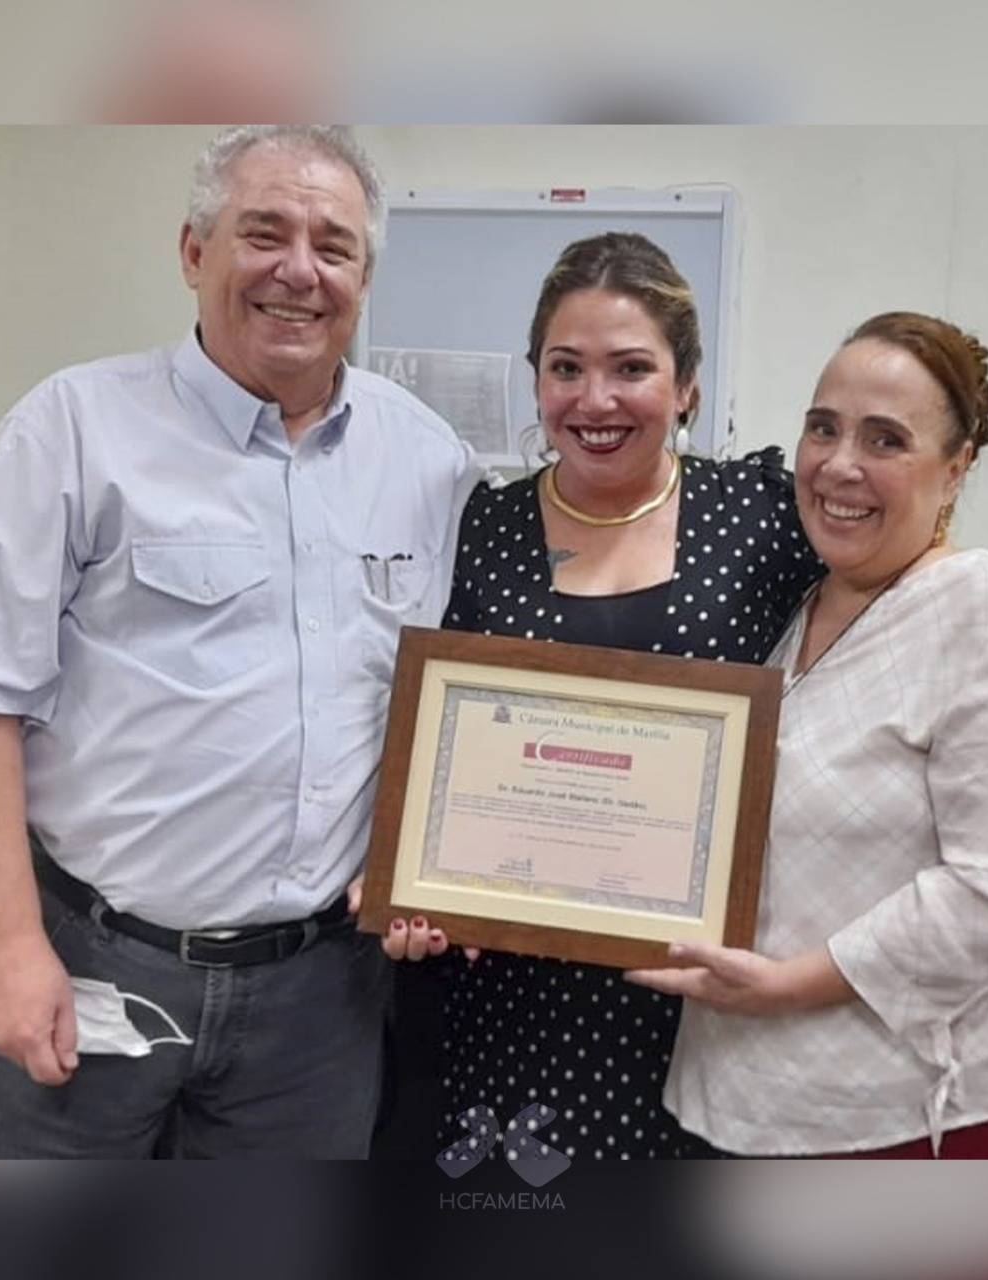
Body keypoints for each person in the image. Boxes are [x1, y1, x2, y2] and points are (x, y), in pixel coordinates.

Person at [0, 125, 482, 1158]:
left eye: (334, 246)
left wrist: (427, 867)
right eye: (265, 232)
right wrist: (6, 941)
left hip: (320, 996)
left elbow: (446, 700)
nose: (299, 270)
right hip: (92, 963)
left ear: (363, 278)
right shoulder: (73, 428)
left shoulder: (429, 460)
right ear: (193, 250)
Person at [381, 231, 822, 1160]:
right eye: (566, 368)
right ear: (535, 380)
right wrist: (410, 887)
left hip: (698, 1000)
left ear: (687, 384)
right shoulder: (481, 526)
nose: (595, 400)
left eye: (631, 368)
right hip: (503, 993)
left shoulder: (763, 517)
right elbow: (426, 739)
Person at [629, 311, 988, 1157]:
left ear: (956, 468)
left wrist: (792, 985)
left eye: (886, 440)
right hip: (750, 1096)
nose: (840, 464)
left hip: (931, 1117)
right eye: (823, 428)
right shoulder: (797, 612)